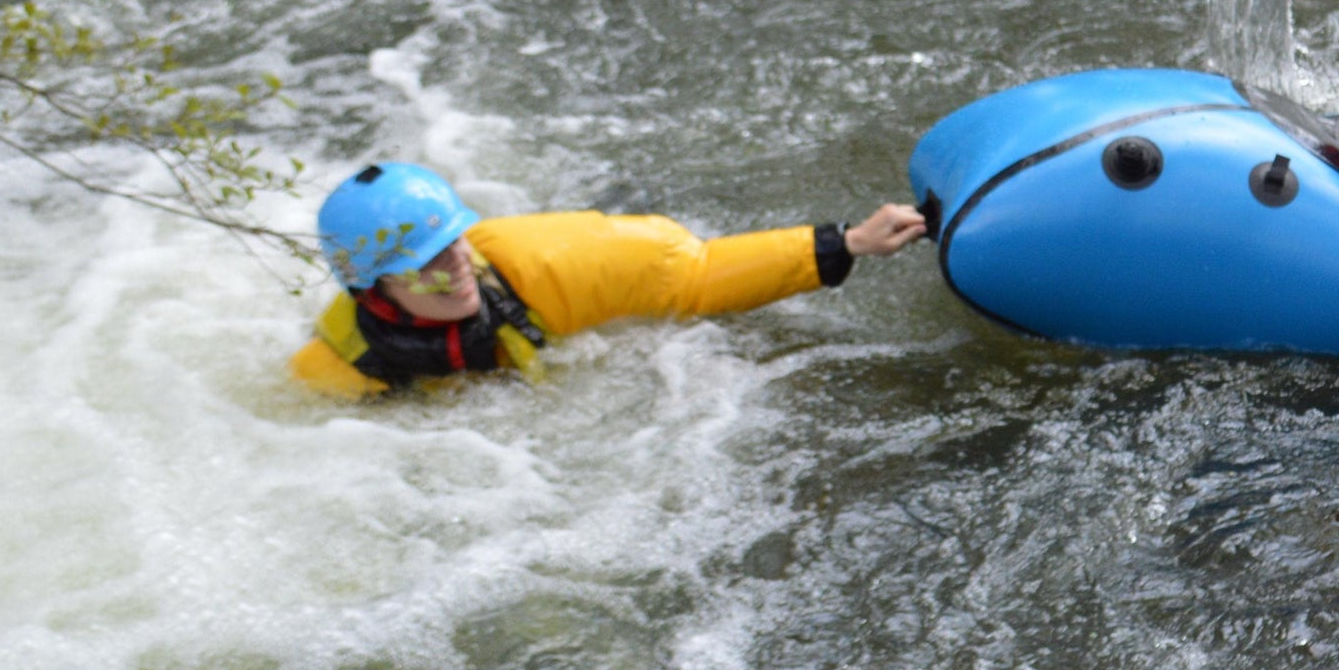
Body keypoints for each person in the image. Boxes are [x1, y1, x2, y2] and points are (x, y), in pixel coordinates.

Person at [289, 162, 928, 398]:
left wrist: (847, 242)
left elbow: (694, 273)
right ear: (373, 288)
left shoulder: (537, 263)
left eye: (451, 243)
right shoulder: (342, 366)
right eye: (424, 263)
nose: (454, 266)